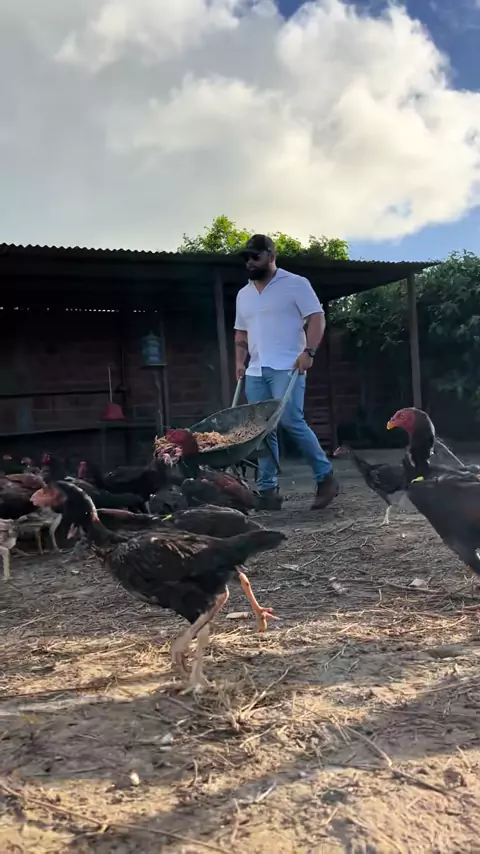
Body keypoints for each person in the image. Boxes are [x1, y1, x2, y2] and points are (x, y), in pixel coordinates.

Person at [234, 234, 339, 511]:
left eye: (255, 256)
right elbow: (241, 331)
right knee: (261, 430)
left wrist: (310, 352)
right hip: (256, 369)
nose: (249, 262)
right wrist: (239, 361)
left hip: (288, 366)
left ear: (271, 255)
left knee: (291, 420)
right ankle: (268, 491)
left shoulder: (295, 284)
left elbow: (317, 317)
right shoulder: (244, 294)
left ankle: (326, 477)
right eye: (246, 258)